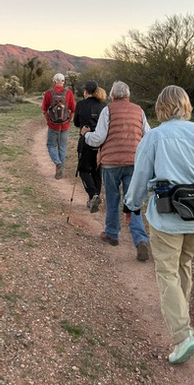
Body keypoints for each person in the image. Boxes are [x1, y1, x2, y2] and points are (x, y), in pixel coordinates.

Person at [124, 85, 194, 364]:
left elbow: (140, 178)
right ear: (185, 106)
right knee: (184, 266)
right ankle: (181, 317)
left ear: (161, 107)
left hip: (166, 218)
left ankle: (182, 335)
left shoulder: (155, 137)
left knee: (167, 272)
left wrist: (131, 205)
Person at [81, 80, 151, 261]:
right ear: (128, 96)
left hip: (111, 163)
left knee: (113, 199)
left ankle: (112, 234)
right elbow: (148, 135)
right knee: (133, 202)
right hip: (134, 162)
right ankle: (141, 239)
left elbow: (99, 138)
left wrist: (86, 135)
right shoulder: (139, 111)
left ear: (113, 96)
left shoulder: (108, 110)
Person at [73, 80, 107, 212]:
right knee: (96, 170)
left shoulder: (81, 104)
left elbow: (76, 123)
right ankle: (94, 198)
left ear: (86, 91)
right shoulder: (104, 105)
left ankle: (93, 195)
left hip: (85, 141)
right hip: (100, 142)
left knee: (83, 170)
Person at [41, 73, 76, 179]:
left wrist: (48, 120)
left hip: (53, 125)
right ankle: (61, 170)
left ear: (54, 81)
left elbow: (44, 109)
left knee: (51, 146)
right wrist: (70, 119)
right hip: (64, 125)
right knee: (62, 147)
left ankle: (57, 163)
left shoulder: (49, 93)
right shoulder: (68, 93)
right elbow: (73, 109)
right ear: (63, 81)